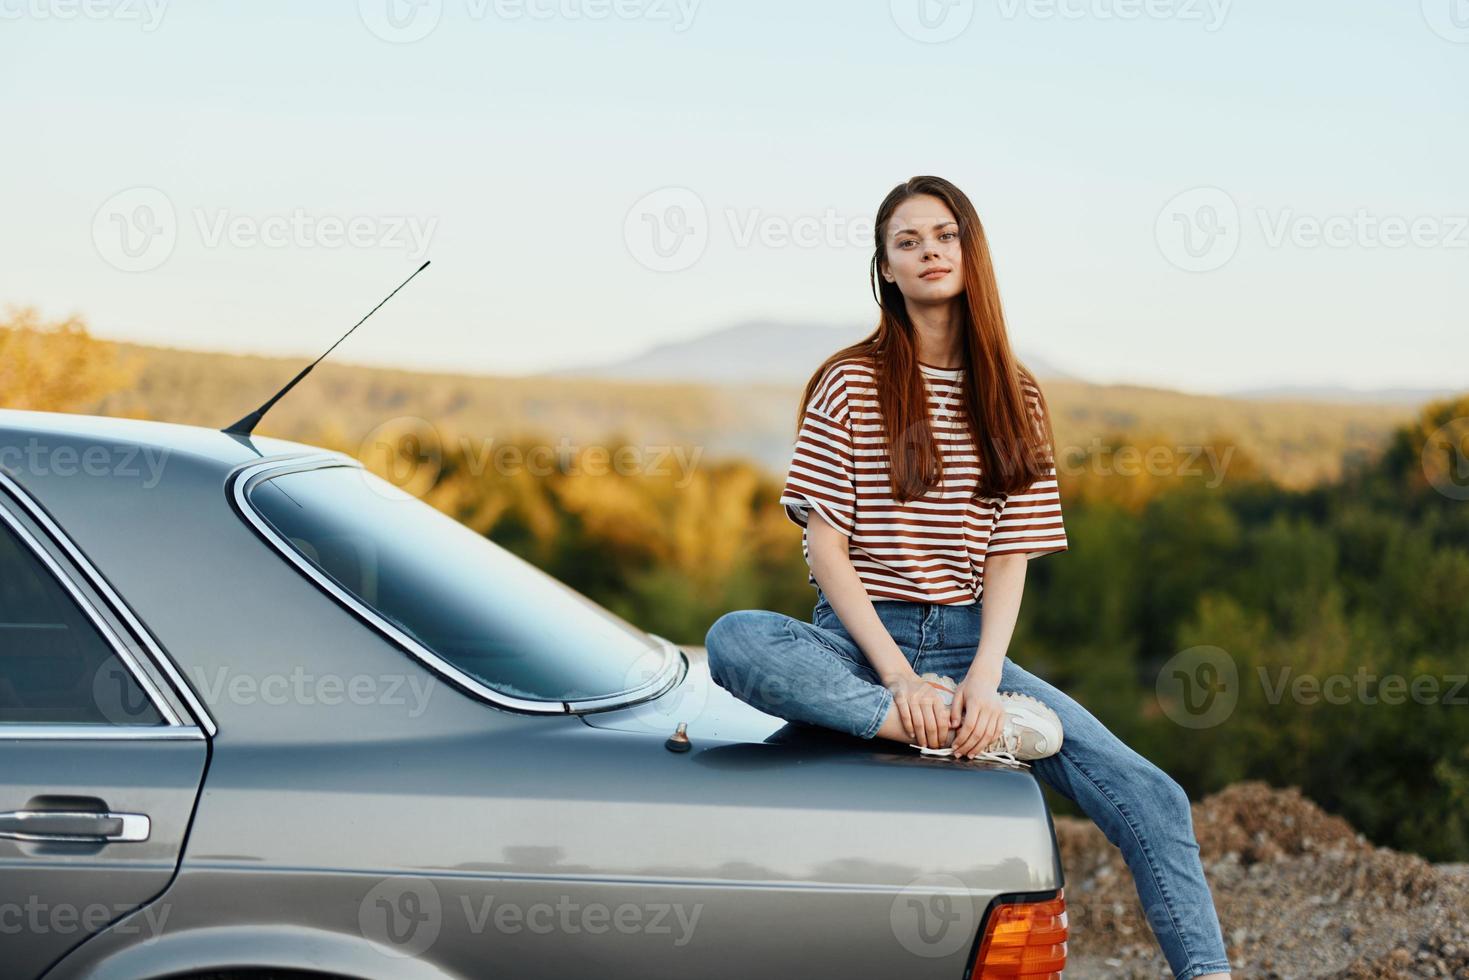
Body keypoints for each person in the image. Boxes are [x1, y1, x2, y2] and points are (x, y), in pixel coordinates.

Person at [704, 175, 1233, 980]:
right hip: (858, 642)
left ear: (969, 251)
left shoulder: (1013, 393)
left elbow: (1008, 554)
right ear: (884, 268)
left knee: (1154, 797)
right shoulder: (846, 382)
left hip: (969, 649)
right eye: (906, 241)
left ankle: (1209, 974)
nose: (927, 252)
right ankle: (931, 728)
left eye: (943, 236)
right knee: (736, 640)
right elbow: (825, 550)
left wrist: (983, 680)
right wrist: (898, 681)